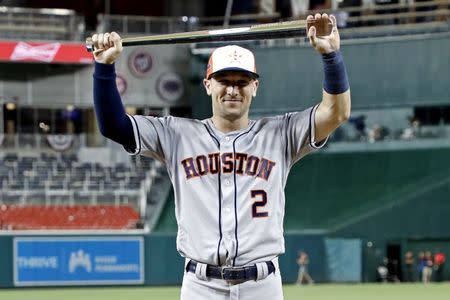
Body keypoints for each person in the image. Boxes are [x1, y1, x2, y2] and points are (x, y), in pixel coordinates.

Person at [90, 13, 350, 300]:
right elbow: (113, 125)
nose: (232, 89)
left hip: (261, 285)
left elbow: (336, 113)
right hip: (201, 286)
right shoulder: (176, 135)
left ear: (255, 86)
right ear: (208, 84)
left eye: (242, 81)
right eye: (224, 80)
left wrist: (331, 56)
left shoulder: (281, 133)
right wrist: (104, 68)